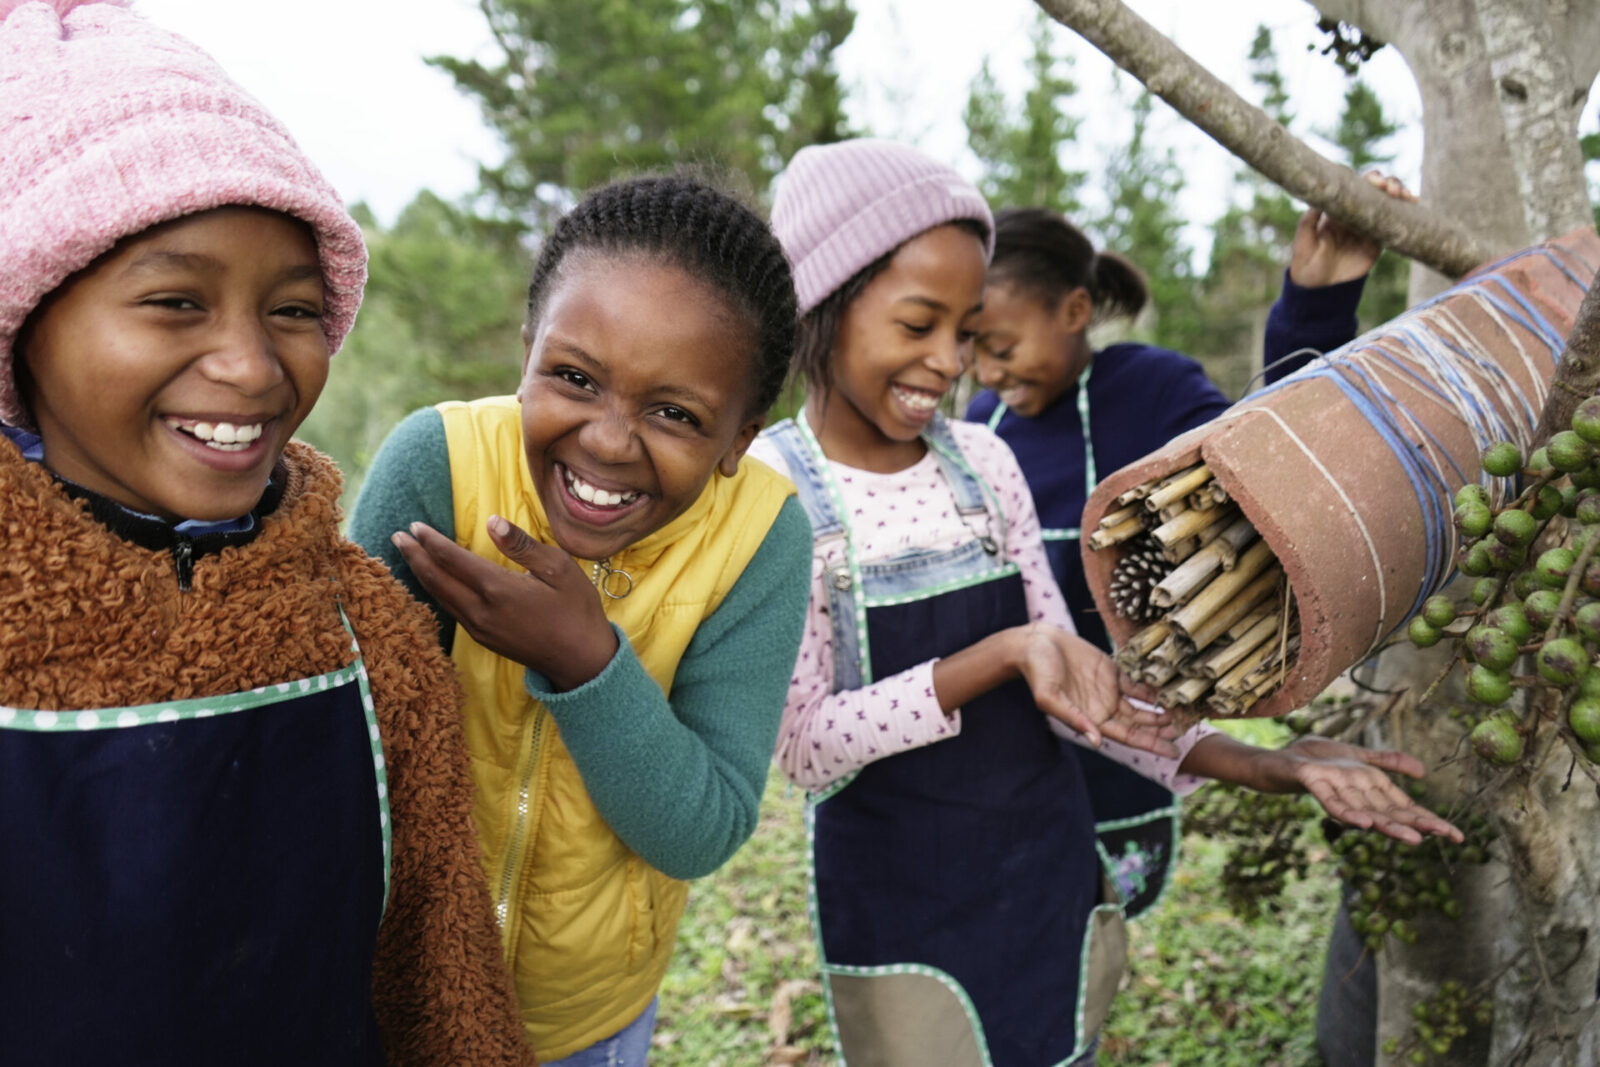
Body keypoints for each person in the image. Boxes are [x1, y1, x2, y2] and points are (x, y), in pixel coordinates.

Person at [750, 138, 1457, 1067]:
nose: (949, 363)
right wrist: (999, 655)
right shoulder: (779, 490)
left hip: (1046, 871)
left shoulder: (984, 462)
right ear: (822, 306)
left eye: (965, 331)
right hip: (903, 909)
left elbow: (1086, 700)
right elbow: (804, 746)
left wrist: (1269, 764)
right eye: (917, 323)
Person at [0, 3, 532, 1064]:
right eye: (174, 301)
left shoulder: (362, 628)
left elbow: (445, 977)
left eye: (292, 310)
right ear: (24, 322)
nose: (250, 366)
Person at [348, 175, 813, 1065]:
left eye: (675, 413)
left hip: (584, 1019)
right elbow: (343, 752)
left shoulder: (761, 537)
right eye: (573, 378)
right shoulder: (439, 465)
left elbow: (702, 827)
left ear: (741, 439)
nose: (606, 440)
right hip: (387, 992)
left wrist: (585, 659)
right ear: (526, 352)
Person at [964, 181, 1411, 916]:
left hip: (1132, 738)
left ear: (1075, 311)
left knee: (1087, 930)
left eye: (1002, 346)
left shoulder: (1152, 387)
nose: (986, 374)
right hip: (1008, 740)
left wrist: (1315, 302)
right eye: (973, 351)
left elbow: (1273, 464)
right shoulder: (986, 423)